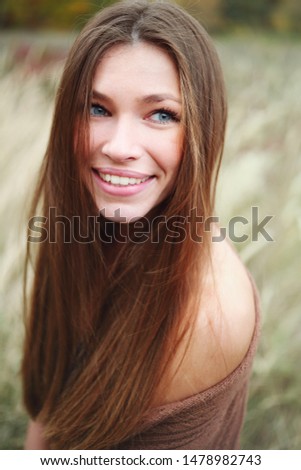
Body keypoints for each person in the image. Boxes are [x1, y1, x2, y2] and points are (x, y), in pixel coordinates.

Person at [22, 0, 259, 450]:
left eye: (162, 115)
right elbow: (49, 412)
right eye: (97, 108)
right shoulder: (77, 223)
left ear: (201, 132)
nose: (120, 146)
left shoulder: (206, 317)